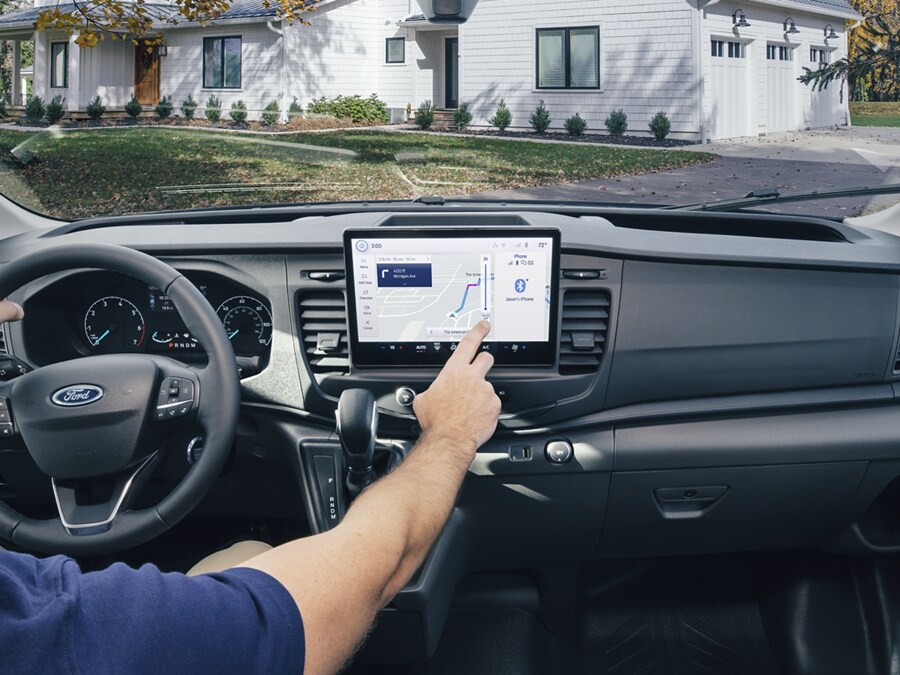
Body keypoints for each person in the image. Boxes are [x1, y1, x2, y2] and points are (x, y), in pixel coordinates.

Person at [0, 298, 501, 675]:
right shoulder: (54, 634)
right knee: (254, 554)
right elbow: (358, 582)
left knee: (246, 551)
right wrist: (450, 434)